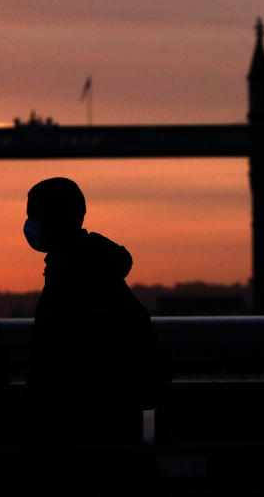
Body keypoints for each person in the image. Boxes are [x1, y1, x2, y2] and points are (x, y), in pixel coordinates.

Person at [20, 177, 168, 447]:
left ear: (62, 216)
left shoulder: (75, 276)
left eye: (35, 215)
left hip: (82, 424)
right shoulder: (94, 268)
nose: (30, 224)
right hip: (108, 420)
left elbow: (59, 356)